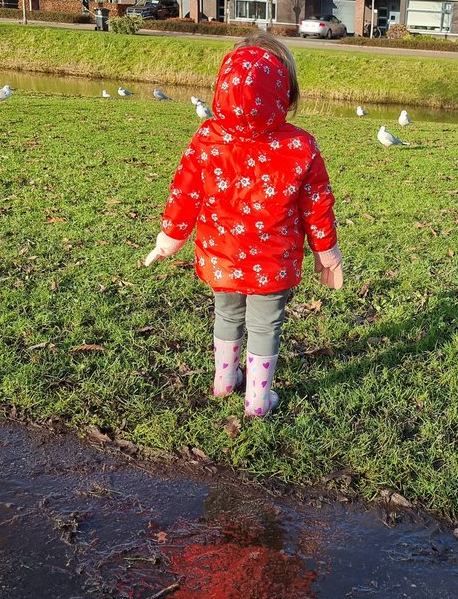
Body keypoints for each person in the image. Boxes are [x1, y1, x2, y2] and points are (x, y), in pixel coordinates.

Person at [143, 34, 343, 417]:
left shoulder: (208, 138)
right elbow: (317, 207)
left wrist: (169, 238)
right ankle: (257, 399)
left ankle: (223, 382)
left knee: (227, 314)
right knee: (265, 325)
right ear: (285, 91)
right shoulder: (300, 146)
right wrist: (326, 252)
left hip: (222, 258)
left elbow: (184, 193)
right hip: (273, 262)